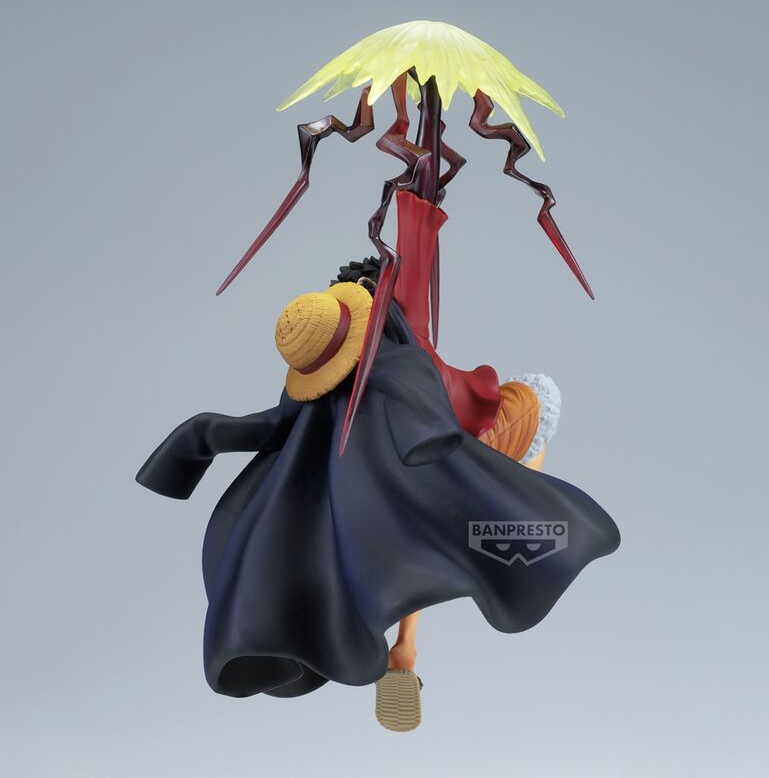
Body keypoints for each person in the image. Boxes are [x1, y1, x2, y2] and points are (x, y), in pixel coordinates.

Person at [136, 260, 620, 731]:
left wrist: (198, 439)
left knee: (409, 556)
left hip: (363, 520)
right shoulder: (398, 360)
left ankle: (405, 649)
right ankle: (512, 528)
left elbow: (248, 429)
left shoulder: (309, 400)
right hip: (430, 475)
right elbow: (442, 392)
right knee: (535, 406)